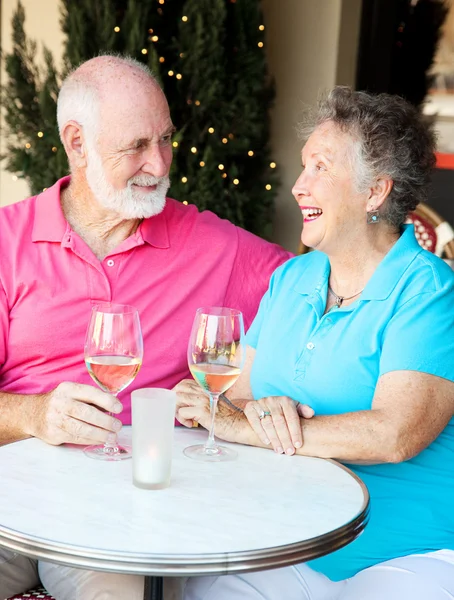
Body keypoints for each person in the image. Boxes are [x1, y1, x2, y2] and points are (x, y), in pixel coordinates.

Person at [0, 55, 291, 600]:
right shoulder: (5, 242)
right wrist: (33, 414)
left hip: (123, 521)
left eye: (165, 140)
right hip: (8, 500)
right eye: (135, 146)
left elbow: (314, 291)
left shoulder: (212, 244)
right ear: (78, 142)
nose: (159, 165)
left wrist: (264, 399)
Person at [176, 86, 454, 600]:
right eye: (303, 167)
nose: (299, 186)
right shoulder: (293, 279)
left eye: (321, 168)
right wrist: (250, 410)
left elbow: (395, 434)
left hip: (406, 550)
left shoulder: (429, 291)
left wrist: (252, 428)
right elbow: (234, 399)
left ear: (375, 192)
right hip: (290, 539)